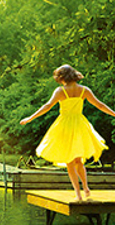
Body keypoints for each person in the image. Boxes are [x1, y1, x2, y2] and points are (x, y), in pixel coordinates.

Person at [20, 64, 115, 201]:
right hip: (80, 124)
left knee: (70, 161)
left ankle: (78, 193)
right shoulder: (84, 90)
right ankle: (86, 189)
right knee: (79, 160)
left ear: (62, 78)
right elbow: (100, 105)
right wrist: (113, 114)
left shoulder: (60, 91)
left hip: (64, 125)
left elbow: (47, 106)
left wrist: (30, 118)